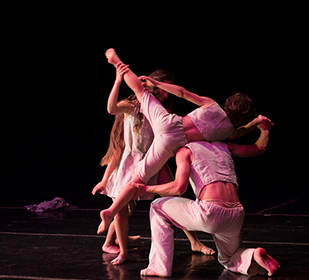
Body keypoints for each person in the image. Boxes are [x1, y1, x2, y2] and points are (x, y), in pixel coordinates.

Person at [97, 48, 264, 234]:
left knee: (139, 90)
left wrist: (155, 83)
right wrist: (255, 123)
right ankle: (110, 211)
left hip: (167, 124)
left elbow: (183, 93)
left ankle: (116, 61)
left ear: (228, 102)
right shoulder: (228, 132)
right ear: (241, 117)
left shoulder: (212, 104)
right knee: (138, 179)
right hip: (172, 143)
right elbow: (240, 133)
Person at [92, 64, 214, 265]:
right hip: (135, 162)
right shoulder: (134, 106)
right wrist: (118, 80)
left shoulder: (163, 111)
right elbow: (111, 109)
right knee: (122, 208)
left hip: (154, 160)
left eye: (168, 90)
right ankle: (119, 249)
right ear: (152, 86)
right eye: (163, 89)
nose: (166, 94)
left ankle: (194, 241)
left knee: (175, 197)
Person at [133, 117, 280, 277]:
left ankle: (159, 267)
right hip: (236, 214)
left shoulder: (186, 150)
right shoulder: (224, 146)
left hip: (210, 212)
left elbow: (178, 187)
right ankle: (253, 254)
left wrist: (147, 188)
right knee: (229, 258)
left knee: (157, 206)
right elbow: (259, 148)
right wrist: (264, 129)